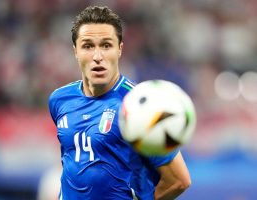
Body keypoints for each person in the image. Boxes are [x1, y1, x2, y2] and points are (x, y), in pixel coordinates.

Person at [48, 5, 191, 200]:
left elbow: (178, 180)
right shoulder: (59, 99)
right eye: (88, 46)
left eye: (106, 45)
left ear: (120, 49)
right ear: (75, 51)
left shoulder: (141, 106)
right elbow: (73, 165)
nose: (98, 57)